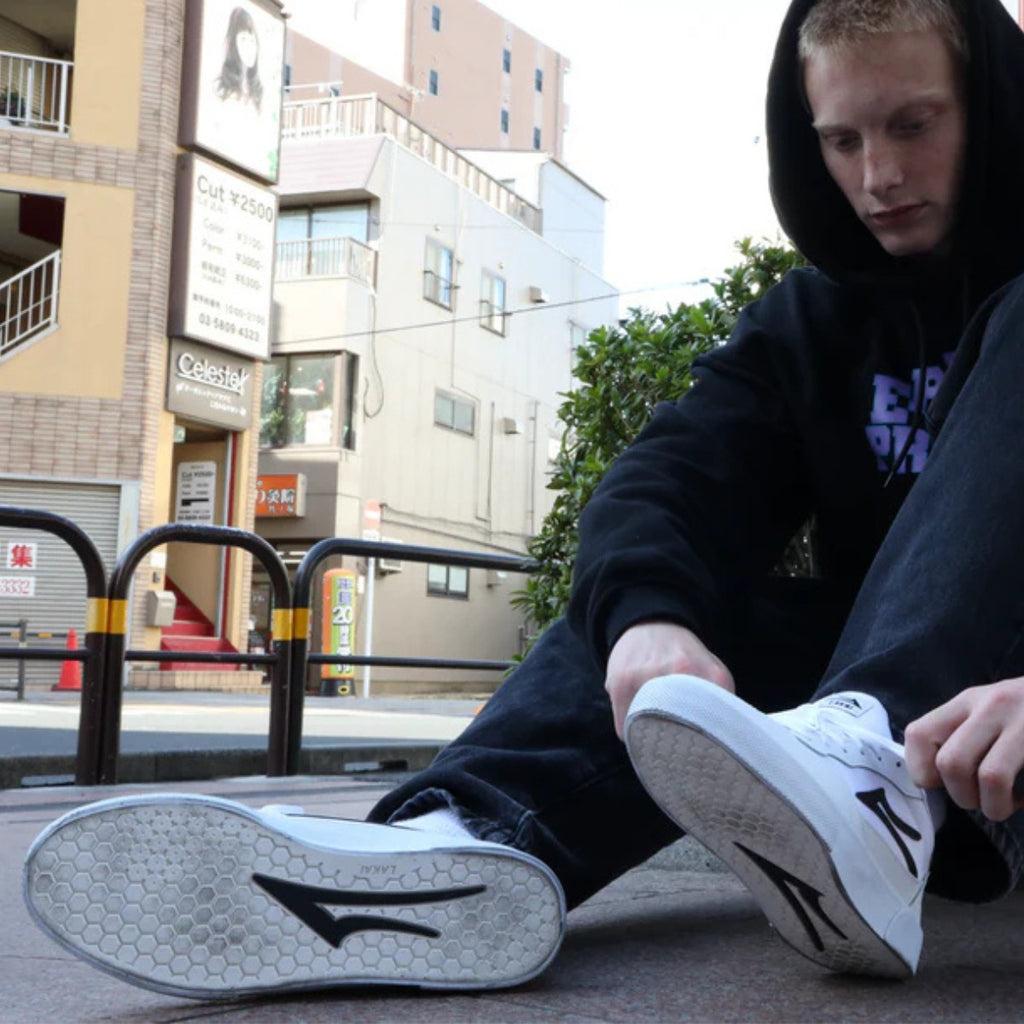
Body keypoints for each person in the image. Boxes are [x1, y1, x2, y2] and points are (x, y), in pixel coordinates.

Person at [22, 0, 1024, 999]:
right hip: (893, 774)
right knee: (664, 622)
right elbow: (674, 475)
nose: (877, 174)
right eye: (842, 140)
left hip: (998, 755)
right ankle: (458, 847)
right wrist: (649, 624)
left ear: (989, 105)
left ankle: (866, 764)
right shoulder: (811, 323)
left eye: (913, 125)